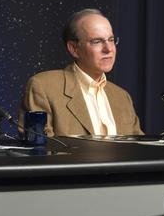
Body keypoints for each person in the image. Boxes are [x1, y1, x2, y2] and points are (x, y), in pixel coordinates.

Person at [21, 8, 143, 137]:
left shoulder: (122, 97)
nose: (108, 49)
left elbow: (140, 148)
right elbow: (40, 148)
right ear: (74, 49)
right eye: (97, 41)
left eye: (111, 40)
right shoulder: (43, 87)